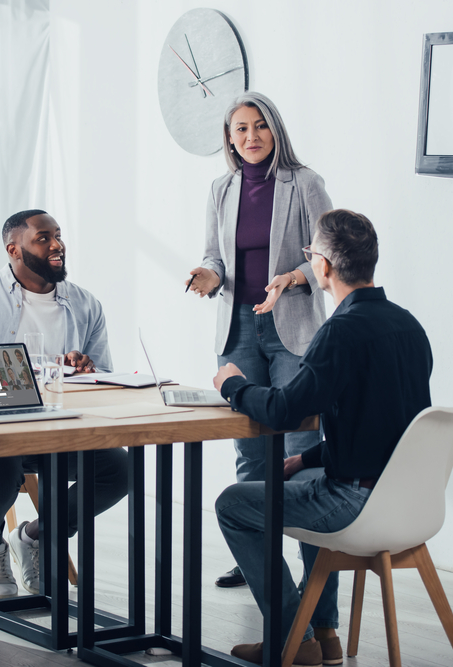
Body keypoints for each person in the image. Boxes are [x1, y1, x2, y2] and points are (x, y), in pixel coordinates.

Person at [213, 210, 433, 666]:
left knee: (232, 504)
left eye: (310, 252)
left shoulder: (340, 332)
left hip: (356, 504)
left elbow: (281, 410)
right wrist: (307, 456)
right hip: (411, 504)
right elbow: (387, 426)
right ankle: (323, 633)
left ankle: (293, 635)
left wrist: (231, 384)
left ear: (323, 267)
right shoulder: (410, 326)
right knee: (306, 475)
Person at [0, 209, 128, 599]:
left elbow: (104, 378)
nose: (57, 245)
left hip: (59, 432)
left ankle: (34, 536)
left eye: (58, 236)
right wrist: (6, 372)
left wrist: (84, 369)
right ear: (13, 249)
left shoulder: (85, 304)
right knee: (2, 470)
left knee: (119, 469)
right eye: (43, 238)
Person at [185, 92, 334, 591]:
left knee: (299, 442)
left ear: (275, 130)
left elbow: (326, 254)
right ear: (228, 137)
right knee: (250, 450)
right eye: (241, 129)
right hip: (239, 328)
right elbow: (216, 257)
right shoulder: (220, 188)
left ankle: (316, 562)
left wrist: (291, 279)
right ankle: (258, 558)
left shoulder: (305, 183)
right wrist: (209, 275)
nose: (251, 137)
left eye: (260, 126)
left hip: (291, 326)